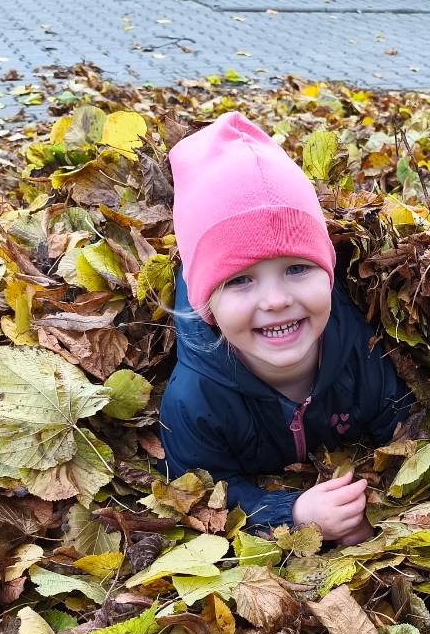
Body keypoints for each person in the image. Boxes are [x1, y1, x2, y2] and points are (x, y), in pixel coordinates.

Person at [159, 111, 410, 545]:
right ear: (208, 305)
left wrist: (378, 503)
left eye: (297, 268)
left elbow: (404, 424)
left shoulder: (361, 350)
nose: (275, 300)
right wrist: (294, 515)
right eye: (240, 280)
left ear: (328, 274)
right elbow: (200, 492)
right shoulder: (195, 399)